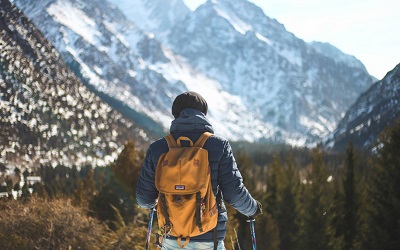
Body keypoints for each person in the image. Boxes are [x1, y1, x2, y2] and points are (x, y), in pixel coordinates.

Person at [136, 91, 262, 250]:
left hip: (170, 236)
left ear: (176, 115)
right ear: (203, 114)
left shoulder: (158, 149)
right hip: (209, 238)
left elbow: (143, 199)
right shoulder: (218, 146)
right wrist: (253, 209)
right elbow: (234, 193)